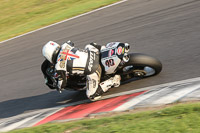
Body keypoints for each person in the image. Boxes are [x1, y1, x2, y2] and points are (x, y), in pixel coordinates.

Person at [41, 40, 127, 101]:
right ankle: (105, 49)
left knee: (92, 96)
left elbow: (62, 83)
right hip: (94, 54)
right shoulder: (65, 45)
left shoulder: (59, 67)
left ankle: (113, 80)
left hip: (93, 69)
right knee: (89, 45)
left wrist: (59, 86)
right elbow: (71, 42)